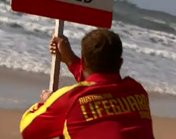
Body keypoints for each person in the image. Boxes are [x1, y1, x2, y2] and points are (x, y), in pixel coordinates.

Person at [20, 28, 155, 139]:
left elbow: (28, 130)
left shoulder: (70, 100)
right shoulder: (137, 91)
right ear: (120, 63)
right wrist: (70, 59)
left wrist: (45, 104)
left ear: (83, 62)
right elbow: (101, 83)